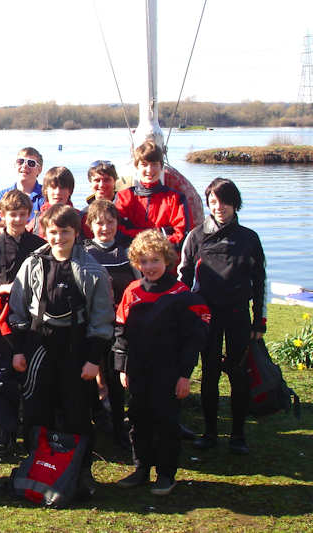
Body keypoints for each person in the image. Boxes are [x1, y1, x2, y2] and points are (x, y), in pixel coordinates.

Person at [7, 204, 115, 499]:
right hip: (38, 343)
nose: (58, 238)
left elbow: (102, 319)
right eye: (52, 232)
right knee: (35, 408)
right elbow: (17, 310)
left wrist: (94, 359)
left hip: (76, 346)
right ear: (44, 232)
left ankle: (81, 470)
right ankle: (36, 464)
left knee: (77, 410)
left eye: (65, 232)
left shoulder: (93, 270)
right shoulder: (31, 264)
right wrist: (18, 350)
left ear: (77, 233)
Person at [114, 230, 209, 495]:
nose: (150, 267)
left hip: (168, 370)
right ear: (136, 263)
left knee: (166, 422)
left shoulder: (182, 295)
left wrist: (184, 375)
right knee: (138, 419)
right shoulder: (132, 291)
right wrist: (122, 367)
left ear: (167, 260)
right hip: (138, 368)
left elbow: (194, 340)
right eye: (143, 261)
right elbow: (120, 330)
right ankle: (142, 468)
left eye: (155, 260)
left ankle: (166, 474)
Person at [179, 178, 266, 455]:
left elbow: (261, 281)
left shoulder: (249, 238)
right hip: (207, 317)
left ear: (235, 203)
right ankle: (210, 432)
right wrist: (187, 316)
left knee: (239, 374)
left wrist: (259, 321)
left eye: (225, 201)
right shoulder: (195, 237)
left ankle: (238, 435)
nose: (219, 207)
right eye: (213, 202)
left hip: (238, 315)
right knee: (209, 374)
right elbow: (184, 279)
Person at [0, 189, 45, 456]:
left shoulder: (39, 245)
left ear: (30, 215)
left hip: (31, 319)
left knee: (30, 377)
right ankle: (4, 436)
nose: (17, 219)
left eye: (22, 214)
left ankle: (32, 436)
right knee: (0, 379)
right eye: (12, 214)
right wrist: (2, 289)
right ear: (2, 216)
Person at [82, 199, 139, 449]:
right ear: (90, 225)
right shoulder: (83, 253)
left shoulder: (128, 252)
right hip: (94, 326)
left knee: (117, 380)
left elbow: (140, 285)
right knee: (90, 377)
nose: (105, 227)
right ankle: (95, 420)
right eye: (99, 223)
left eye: (110, 222)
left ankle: (120, 428)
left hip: (123, 327)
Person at [114, 140, 189, 249]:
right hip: (131, 257)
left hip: (165, 259)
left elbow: (181, 236)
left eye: (154, 164)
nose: (149, 170)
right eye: (144, 165)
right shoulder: (124, 197)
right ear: (137, 167)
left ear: (161, 166)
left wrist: (136, 233)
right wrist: (160, 232)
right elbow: (117, 231)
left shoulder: (176, 199)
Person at [0, 147, 46, 224]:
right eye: (20, 162)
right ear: (15, 165)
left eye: (31, 163)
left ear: (39, 169)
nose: (25, 166)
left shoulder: (46, 195)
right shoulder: (2, 196)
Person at [80, 160, 119, 238]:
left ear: (114, 181)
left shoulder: (125, 208)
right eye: (97, 180)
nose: (101, 185)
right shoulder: (83, 215)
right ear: (90, 183)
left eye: (106, 180)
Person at [33, 166, 76, 235]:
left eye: (62, 188)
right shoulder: (37, 220)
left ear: (70, 191)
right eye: (53, 187)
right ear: (45, 190)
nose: (58, 192)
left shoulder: (81, 218)